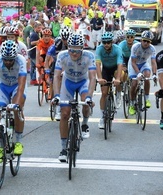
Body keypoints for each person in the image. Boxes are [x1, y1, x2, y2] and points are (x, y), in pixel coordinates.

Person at [52, 33, 96, 162]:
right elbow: (56, 76)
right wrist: (56, 96)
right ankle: (64, 148)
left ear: (82, 48)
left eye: (77, 51)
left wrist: (89, 97)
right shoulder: (62, 55)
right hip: (68, 82)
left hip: (83, 81)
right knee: (65, 114)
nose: (74, 54)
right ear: (68, 47)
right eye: (71, 50)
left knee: (85, 103)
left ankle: (85, 124)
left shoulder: (90, 56)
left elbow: (93, 77)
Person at [96, 31, 123, 129]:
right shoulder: (99, 49)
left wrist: (118, 79)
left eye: (108, 42)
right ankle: (102, 117)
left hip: (115, 69)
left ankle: (119, 93)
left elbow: (120, 64)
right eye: (104, 42)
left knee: (119, 78)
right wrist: (99, 78)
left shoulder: (117, 49)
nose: (106, 44)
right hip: (106, 70)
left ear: (112, 42)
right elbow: (98, 64)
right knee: (104, 93)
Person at [45, 26, 72, 120]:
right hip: (57, 64)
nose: (65, 41)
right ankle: (56, 105)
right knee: (54, 83)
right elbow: (47, 58)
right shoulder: (56, 44)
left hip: (68, 65)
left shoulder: (73, 44)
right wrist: (47, 69)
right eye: (64, 39)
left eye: (67, 39)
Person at [128, 30, 157, 115]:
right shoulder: (135, 47)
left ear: (150, 42)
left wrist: (154, 74)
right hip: (134, 65)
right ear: (141, 40)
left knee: (147, 77)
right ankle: (132, 104)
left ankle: (147, 99)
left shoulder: (152, 48)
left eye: (148, 41)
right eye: (144, 40)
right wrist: (138, 73)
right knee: (134, 84)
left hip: (144, 64)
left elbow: (153, 62)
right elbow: (133, 62)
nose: (146, 43)